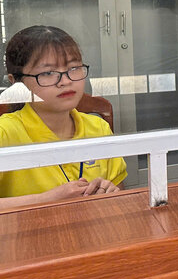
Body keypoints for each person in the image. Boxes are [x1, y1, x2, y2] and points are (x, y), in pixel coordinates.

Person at [0, 26, 126, 210]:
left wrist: (109, 192)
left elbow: (122, 196)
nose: (66, 81)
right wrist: (47, 199)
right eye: (48, 73)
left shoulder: (98, 127)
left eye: (74, 68)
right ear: (16, 82)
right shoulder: (5, 133)